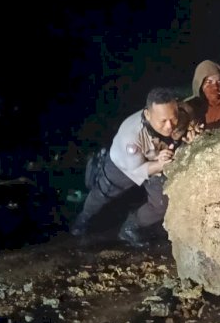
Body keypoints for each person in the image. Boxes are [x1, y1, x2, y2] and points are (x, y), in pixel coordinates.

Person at [69, 87, 182, 246]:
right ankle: (83, 220)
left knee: (161, 205)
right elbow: (137, 169)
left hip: (156, 159)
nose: (170, 126)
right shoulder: (131, 135)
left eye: (173, 118)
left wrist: (191, 128)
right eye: (163, 121)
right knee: (102, 193)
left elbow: (190, 111)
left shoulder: (177, 112)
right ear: (148, 115)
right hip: (124, 164)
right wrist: (160, 164)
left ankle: (130, 228)